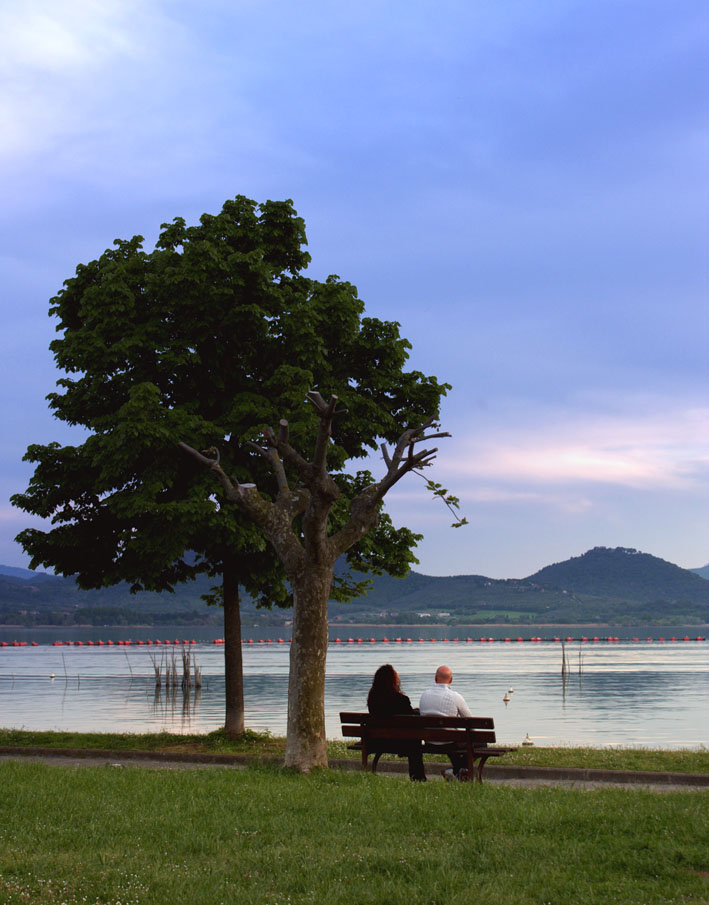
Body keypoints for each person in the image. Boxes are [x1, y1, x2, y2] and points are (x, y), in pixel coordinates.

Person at [367, 664, 426, 781]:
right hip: (399, 742)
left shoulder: (372, 699)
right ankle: (418, 778)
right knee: (415, 743)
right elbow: (411, 721)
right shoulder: (401, 700)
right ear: (392, 681)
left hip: (377, 741)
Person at [419, 665, 474, 780]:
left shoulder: (424, 695)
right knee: (479, 744)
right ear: (451, 680)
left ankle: (456, 771)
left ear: (435, 678)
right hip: (450, 742)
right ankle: (456, 771)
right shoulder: (455, 697)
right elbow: (470, 721)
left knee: (457, 743)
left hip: (429, 741)